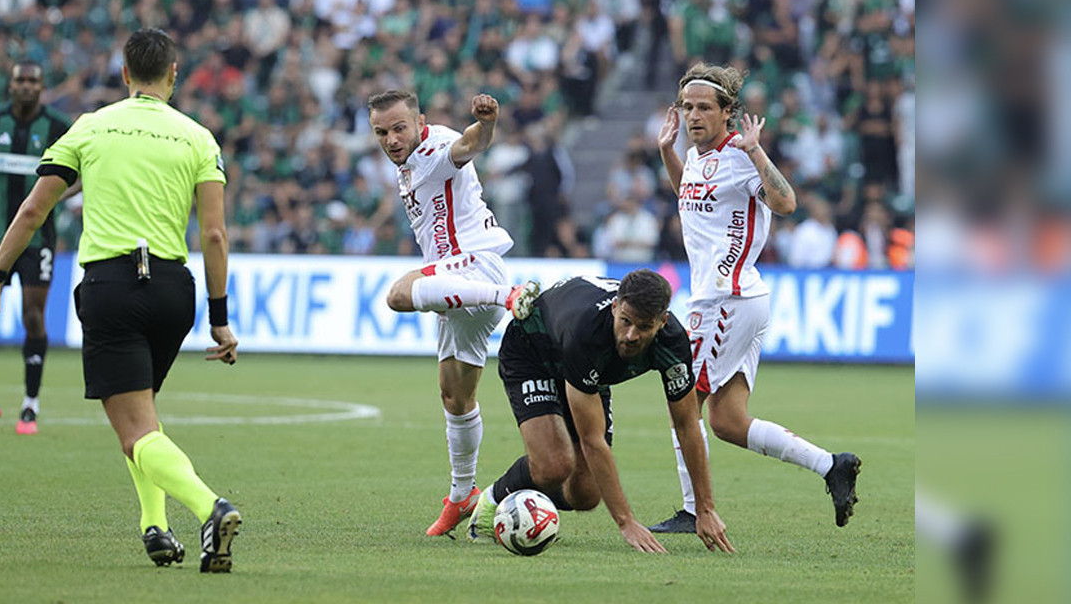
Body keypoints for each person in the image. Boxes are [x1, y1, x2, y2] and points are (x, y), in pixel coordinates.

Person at [0, 28, 242, 573]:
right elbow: (214, 235)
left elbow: (31, 212)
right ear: (174, 73)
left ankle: (211, 507)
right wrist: (219, 318)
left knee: (135, 428)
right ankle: (155, 528)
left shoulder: (90, 127)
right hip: (172, 290)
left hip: (112, 287)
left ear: (123, 74)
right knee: (143, 418)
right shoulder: (197, 137)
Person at [651, 62, 861, 535]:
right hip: (732, 300)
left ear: (729, 112)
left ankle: (693, 509)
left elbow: (786, 203)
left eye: (704, 107)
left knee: (682, 402)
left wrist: (758, 153)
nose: (692, 116)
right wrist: (668, 152)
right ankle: (832, 466)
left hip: (726, 298)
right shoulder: (700, 158)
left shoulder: (741, 156)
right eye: (687, 107)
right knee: (726, 421)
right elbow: (691, 197)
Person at [368, 89, 540, 537]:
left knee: (399, 294)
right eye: (381, 132)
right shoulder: (406, 164)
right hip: (453, 283)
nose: (390, 139)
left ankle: (507, 295)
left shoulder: (434, 147)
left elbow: (468, 146)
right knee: (455, 396)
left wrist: (486, 125)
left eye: (398, 127)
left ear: (419, 121)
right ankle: (462, 494)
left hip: (474, 266)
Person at [465, 270, 735, 554]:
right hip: (533, 350)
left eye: (644, 327)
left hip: (591, 372)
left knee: (587, 494)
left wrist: (704, 509)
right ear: (615, 307)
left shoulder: (673, 342)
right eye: (626, 322)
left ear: (662, 322)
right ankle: (493, 501)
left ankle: (527, 500)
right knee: (553, 466)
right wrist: (626, 522)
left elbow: (687, 423)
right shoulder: (587, 332)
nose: (631, 335)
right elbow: (591, 440)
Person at [0, 61, 72, 435]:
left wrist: (56, 198)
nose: (25, 86)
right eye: (20, 80)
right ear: (10, 86)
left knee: (33, 317)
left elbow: (82, 173)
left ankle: (30, 407)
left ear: (42, 87)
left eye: (32, 81)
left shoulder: (58, 128)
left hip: (37, 240)